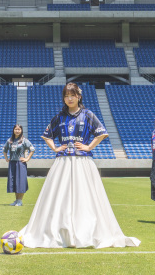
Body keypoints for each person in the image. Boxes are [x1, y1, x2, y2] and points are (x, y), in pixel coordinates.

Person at [19, 83, 140, 248]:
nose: (69, 98)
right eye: (66, 95)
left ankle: (85, 231)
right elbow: (47, 135)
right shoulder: (59, 117)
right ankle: (59, 231)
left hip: (82, 161)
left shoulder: (88, 114)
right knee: (58, 197)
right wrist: (55, 147)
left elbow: (102, 133)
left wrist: (89, 146)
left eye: (72, 95)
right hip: (62, 162)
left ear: (79, 96)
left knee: (85, 196)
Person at [3, 124, 35, 206]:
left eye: (19, 129)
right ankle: (16, 200)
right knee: (14, 182)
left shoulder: (24, 140)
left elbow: (32, 149)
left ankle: (20, 200)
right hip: (12, 163)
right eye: (16, 129)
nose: (17, 131)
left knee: (20, 182)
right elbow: (4, 150)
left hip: (20, 164)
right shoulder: (10, 140)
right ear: (13, 130)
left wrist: (27, 159)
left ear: (21, 130)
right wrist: (6, 158)